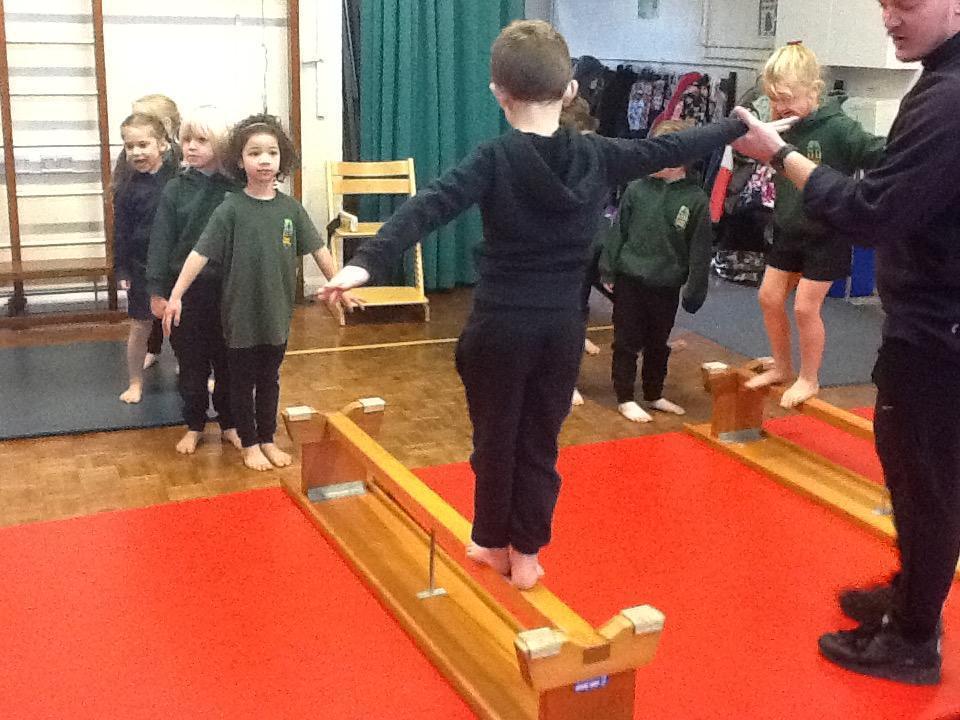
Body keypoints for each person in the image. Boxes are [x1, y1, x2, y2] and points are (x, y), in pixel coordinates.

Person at [319, 20, 793, 589]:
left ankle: (491, 541)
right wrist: (738, 125)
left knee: (495, 441)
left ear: (498, 93)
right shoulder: (598, 155)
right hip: (560, 331)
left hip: (499, 328)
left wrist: (363, 264)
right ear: (570, 90)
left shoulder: (493, 158)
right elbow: (670, 146)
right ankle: (527, 556)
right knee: (539, 444)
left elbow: (427, 207)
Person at [733, 0, 960, 686]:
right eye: (884, 3)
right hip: (933, 318)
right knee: (919, 476)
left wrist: (782, 156)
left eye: (907, 3)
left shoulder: (949, 96)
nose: (889, 18)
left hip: (939, 332)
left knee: (924, 486)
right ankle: (913, 595)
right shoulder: (940, 77)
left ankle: (914, 638)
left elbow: (871, 213)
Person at [163, 114, 340, 472]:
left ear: (282, 159)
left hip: (276, 315)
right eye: (254, 153)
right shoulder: (230, 208)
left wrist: (339, 283)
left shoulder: (290, 209)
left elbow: (319, 250)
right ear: (239, 160)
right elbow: (199, 254)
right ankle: (250, 443)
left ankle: (268, 438)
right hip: (240, 316)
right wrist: (176, 295)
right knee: (242, 382)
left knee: (270, 379)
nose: (264, 160)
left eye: (271, 153)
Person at [745, 44, 885, 408]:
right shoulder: (783, 128)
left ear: (814, 90)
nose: (780, 108)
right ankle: (782, 366)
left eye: (787, 99)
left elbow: (878, 152)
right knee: (768, 297)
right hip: (790, 228)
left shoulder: (838, 128)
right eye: (774, 100)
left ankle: (809, 378)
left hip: (828, 233)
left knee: (805, 308)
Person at [600, 119, 712, 423]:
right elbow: (618, 231)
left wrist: (695, 291)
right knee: (626, 341)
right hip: (630, 279)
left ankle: (653, 393)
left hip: (666, 284)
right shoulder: (636, 189)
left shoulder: (695, 200)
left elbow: (700, 251)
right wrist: (608, 269)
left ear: (679, 159)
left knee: (657, 342)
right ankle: (625, 397)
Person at [146, 106, 240, 455]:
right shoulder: (175, 190)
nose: (192, 146)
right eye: (186, 139)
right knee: (191, 364)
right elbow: (160, 242)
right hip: (186, 292)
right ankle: (195, 424)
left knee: (229, 362)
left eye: (202, 140)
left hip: (227, 291)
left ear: (222, 144)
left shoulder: (237, 188)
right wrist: (158, 290)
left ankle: (230, 422)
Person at [111, 94, 183, 371]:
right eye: (131, 145)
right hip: (141, 257)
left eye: (143, 143)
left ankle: (186, 358)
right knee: (145, 312)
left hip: (172, 255)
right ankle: (152, 348)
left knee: (176, 309)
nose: (137, 150)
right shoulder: (129, 170)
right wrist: (122, 268)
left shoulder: (177, 162)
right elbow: (122, 228)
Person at [559, 95, 607, 406]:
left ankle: (568, 376)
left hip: (583, 245)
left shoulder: (594, 151)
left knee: (576, 311)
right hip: (557, 250)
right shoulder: (555, 154)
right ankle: (561, 378)